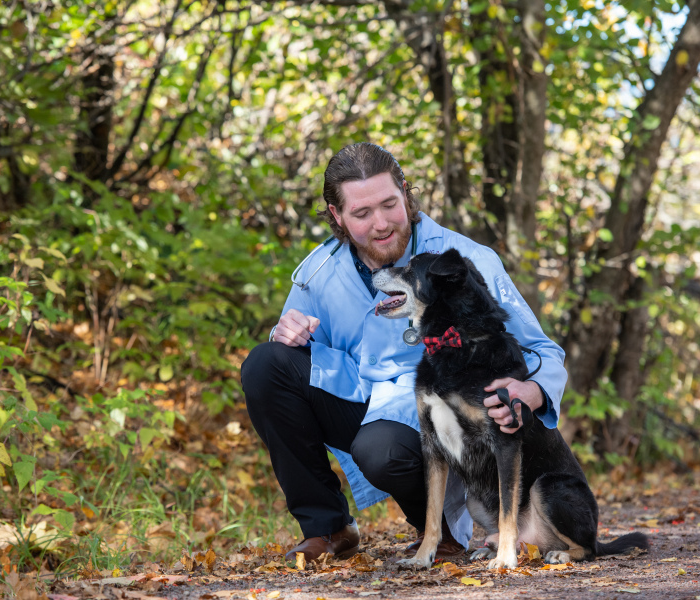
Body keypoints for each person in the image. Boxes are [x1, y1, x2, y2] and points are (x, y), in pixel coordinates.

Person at [241, 142, 567, 562]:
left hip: (435, 416)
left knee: (381, 449)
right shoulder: (317, 272)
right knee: (266, 365)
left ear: (406, 193)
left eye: (389, 205)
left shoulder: (466, 260)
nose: (381, 224)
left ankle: (445, 534)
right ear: (337, 216)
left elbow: (540, 349)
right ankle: (329, 529)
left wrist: (533, 391)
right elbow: (293, 358)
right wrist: (286, 332)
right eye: (361, 214)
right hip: (360, 394)